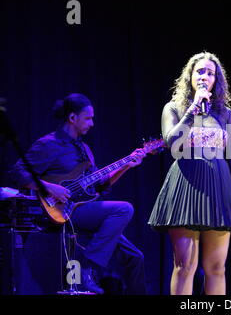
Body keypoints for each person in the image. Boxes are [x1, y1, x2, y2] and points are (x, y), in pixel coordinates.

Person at [9, 93, 148, 294]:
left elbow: (99, 187)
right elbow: (17, 172)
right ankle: (87, 268)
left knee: (135, 257)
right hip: (62, 211)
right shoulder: (48, 144)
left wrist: (126, 165)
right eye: (88, 118)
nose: (92, 123)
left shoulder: (84, 149)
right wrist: (48, 187)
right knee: (123, 209)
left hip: (84, 208)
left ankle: (92, 267)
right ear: (72, 118)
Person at [148, 52, 231, 295]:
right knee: (185, 266)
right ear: (190, 76)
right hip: (186, 184)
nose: (205, 76)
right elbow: (172, 143)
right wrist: (193, 109)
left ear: (217, 80)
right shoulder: (173, 108)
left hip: (219, 185)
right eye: (200, 71)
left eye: (210, 73)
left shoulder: (225, 113)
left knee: (216, 268)